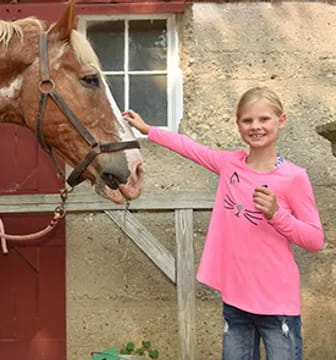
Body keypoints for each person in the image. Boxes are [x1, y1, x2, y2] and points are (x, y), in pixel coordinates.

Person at [122, 87, 324, 360]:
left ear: (281, 120)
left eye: (264, 119)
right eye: (248, 120)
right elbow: (189, 147)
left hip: (278, 307)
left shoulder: (294, 177)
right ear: (237, 124)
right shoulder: (230, 163)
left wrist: (277, 215)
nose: (256, 127)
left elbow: (314, 240)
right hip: (236, 301)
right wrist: (148, 129)